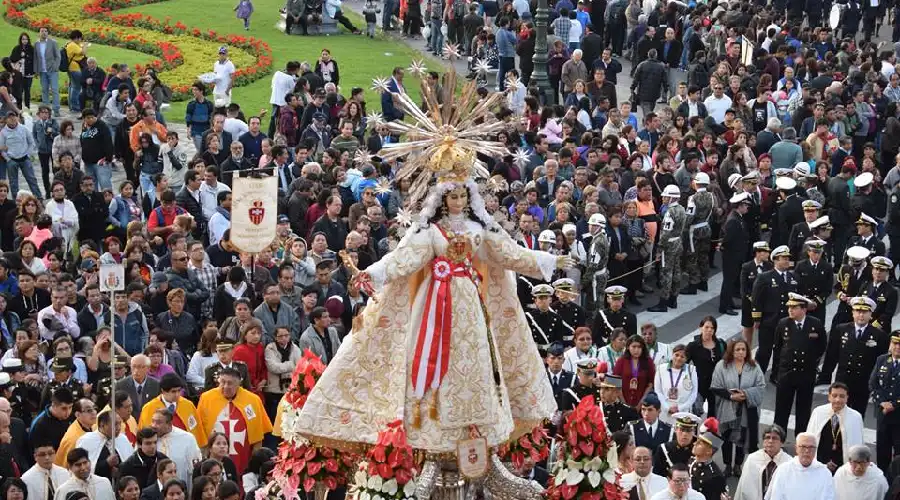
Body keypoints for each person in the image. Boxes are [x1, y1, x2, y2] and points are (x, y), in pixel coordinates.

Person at [771, 292, 827, 439]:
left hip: (805, 374)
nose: (790, 310)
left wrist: (812, 362)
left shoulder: (815, 324)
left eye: (794, 307)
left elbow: (822, 346)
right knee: (781, 411)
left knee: (803, 411)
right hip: (786, 373)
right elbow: (777, 349)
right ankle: (778, 439)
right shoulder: (783, 324)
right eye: (789, 307)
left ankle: (800, 440)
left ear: (804, 309)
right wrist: (776, 372)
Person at [821, 296, 888, 415]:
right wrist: (825, 375)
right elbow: (832, 355)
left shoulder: (879, 335)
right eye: (858, 311)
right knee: (838, 414)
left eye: (865, 312)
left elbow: (880, 363)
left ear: (871, 314)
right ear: (853, 313)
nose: (861, 315)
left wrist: (877, 385)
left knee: (857, 415)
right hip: (843, 380)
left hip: (863, 382)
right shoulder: (841, 330)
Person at [196, 368, 271, 474]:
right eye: (222, 382)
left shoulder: (253, 400)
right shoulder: (206, 398)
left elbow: (258, 435)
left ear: (239, 383)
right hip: (214, 457)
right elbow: (200, 431)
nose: (225, 386)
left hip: (243, 455)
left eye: (230, 383)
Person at [709, 339, 765, 477]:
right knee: (727, 438)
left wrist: (746, 394)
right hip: (727, 408)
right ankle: (727, 465)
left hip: (747, 409)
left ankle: (738, 465)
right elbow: (715, 387)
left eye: (743, 349)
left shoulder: (754, 366)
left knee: (742, 438)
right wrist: (731, 396)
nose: (741, 352)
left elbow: (761, 386)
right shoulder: (722, 366)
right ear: (732, 351)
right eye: (737, 350)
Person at [806, 382, 864, 474]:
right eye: (834, 395)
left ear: (847, 398)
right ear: (829, 397)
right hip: (819, 463)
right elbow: (809, 439)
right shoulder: (818, 412)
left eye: (842, 396)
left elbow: (858, 445)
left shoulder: (855, 417)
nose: (838, 400)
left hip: (843, 466)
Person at [138, 373, 206, 447]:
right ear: (163, 391)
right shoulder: (149, 408)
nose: (177, 394)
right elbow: (144, 436)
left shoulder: (188, 405)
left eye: (179, 391)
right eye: (173, 391)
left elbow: (197, 431)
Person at [764, 432, 836, 500]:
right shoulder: (784, 470)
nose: (807, 451)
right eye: (803, 446)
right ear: (796, 449)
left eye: (811, 447)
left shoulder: (825, 473)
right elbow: (776, 497)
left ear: (815, 450)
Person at [869, 332, 900, 474]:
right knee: (882, 451)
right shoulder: (882, 360)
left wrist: (895, 404)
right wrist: (882, 402)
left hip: (898, 415)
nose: (897, 347)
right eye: (895, 343)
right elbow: (873, 384)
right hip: (883, 415)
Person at [733, 424, 791, 500]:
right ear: (763, 441)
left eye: (775, 438)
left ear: (782, 443)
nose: (770, 441)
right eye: (767, 437)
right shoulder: (752, 459)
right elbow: (744, 487)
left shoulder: (788, 462)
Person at [74, 410, 133, 479]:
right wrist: (107, 463)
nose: (119, 428)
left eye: (120, 424)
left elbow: (130, 464)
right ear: (102, 425)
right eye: (115, 424)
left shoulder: (122, 439)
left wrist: (120, 471)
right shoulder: (86, 440)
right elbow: (82, 468)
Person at [686, 316, 726, 418]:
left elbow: (726, 362)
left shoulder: (720, 344)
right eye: (706, 327)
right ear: (701, 327)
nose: (709, 330)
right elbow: (684, 363)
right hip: (699, 385)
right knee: (695, 414)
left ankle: (710, 433)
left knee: (714, 415)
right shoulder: (693, 346)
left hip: (716, 385)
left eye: (712, 328)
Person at [150, 409, 200, 488]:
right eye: (153, 421)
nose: (153, 425)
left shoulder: (187, 439)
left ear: (169, 424)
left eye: (158, 422)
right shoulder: (147, 438)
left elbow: (195, 469)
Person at [653, 344, 697, 426]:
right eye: (676, 355)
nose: (679, 358)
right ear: (672, 355)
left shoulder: (691, 370)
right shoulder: (660, 368)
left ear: (686, 359)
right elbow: (658, 391)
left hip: (683, 412)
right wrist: (667, 407)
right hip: (664, 412)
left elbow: (694, 393)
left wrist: (680, 408)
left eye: (682, 356)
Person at [690, 418, 727, 500]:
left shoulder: (715, 476)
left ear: (708, 451)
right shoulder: (690, 462)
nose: (695, 443)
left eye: (699, 443)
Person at [613, 335, 655, 408]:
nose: (636, 350)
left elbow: (650, 384)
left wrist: (641, 403)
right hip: (622, 402)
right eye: (634, 347)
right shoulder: (621, 361)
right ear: (628, 347)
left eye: (639, 347)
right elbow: (615, 383)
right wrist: (624, 403)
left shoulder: (648, 361)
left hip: (643, 405)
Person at [55, 399, 96, 467]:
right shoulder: (74, 439)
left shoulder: (92, 425)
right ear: (77, 414)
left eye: (94, 408)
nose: (94, 412)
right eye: (89, 410)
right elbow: (67, 467)